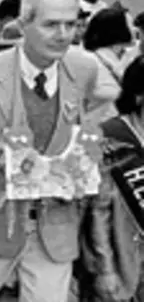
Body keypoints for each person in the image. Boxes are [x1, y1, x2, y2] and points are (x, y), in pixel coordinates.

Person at [0, 0, 100, 301]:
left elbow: (98, 133)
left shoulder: (86, 69)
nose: (62, 34)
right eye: (50, 24)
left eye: (70, 24)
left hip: (55, 227)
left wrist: (85, 165)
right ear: (23, 25)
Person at [81, 55, 144, 301]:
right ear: (139, 94)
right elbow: (98, 211)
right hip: (121, 259)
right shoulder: (110, 138)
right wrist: (104, 269)